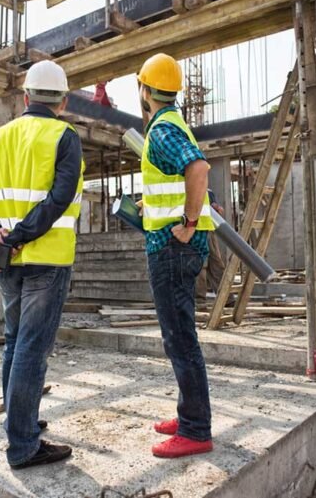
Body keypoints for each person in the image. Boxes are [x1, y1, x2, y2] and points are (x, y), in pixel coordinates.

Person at [0, 60, 84, 470]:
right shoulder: (64, 137)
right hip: (45, 259)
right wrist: (16, 236)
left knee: (15, 342)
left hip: (6, 261)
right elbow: (59, 200)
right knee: (31, 348)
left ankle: (22, 422)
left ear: (26, 97)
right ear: (63, 101)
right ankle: (23, 445)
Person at [137, 53, 215, 458]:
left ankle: (196, 429)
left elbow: (198, 169)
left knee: (180, 338)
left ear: (145, 90)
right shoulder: (174, 124)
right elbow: (178, 177)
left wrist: (187, 220)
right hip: (175, 244)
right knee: (178, 337)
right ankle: (190, 414)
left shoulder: (162, 129)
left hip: (172, 247)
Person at [196, 189, 226, 299]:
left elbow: (214, 206)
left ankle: (225, 296)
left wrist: (216, 208)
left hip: (208, 230)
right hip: (196, 231)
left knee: (216, 264)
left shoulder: (208, 192)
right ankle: (199, 298)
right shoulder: (187, 188)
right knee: (200, 265)